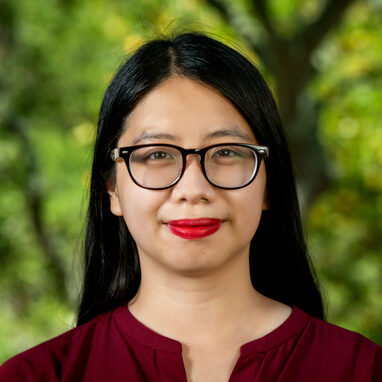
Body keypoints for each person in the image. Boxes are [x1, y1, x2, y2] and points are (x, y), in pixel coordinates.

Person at [1, 32, 381, 382]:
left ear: (269, 183)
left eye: (227, 152)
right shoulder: (36, 376)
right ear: (112, 189)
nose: (193, 189)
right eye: (157, 154)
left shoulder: (361, 369)